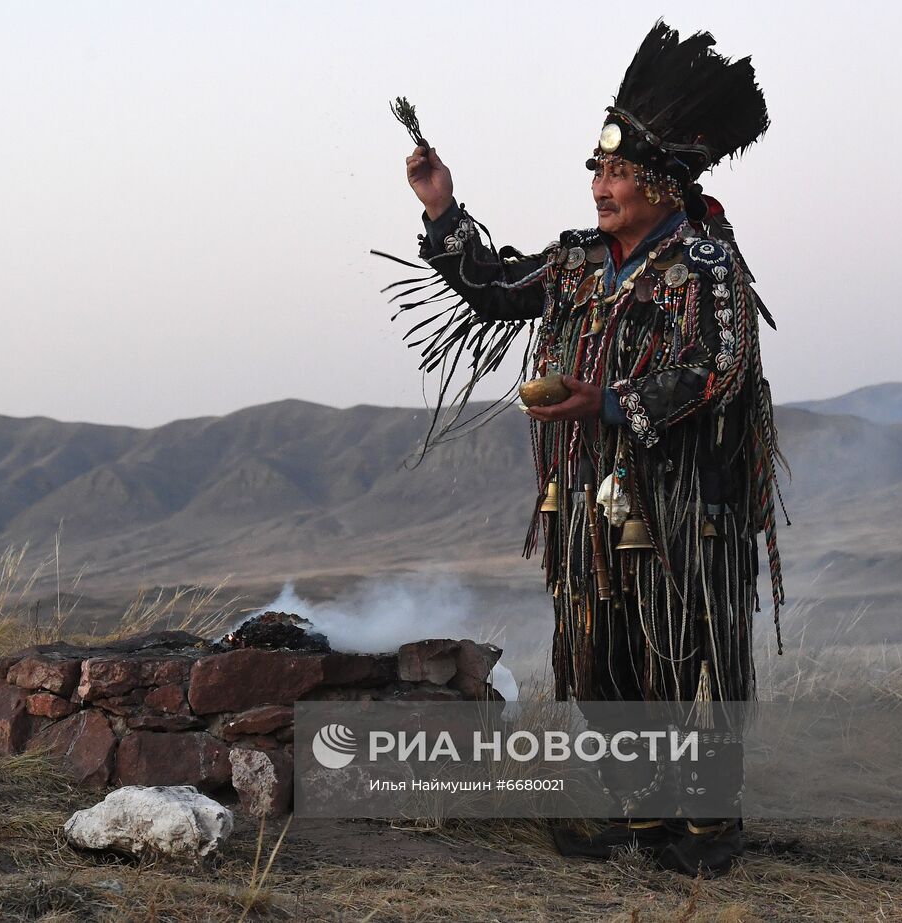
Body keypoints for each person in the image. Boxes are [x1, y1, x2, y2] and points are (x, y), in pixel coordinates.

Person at [389, 21, 787, 875]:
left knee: (685, 652)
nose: (601, 186)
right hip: (583, 508)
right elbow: (494, 288)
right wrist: (441, 207)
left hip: (682, 508)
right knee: (600, 651)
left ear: (664, 184)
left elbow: (719, 369)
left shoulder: (707, 266)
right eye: (597, 171)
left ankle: (707, 829)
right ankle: (631, 817)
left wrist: (604, 400)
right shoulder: (575, 263)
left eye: (618, 172)